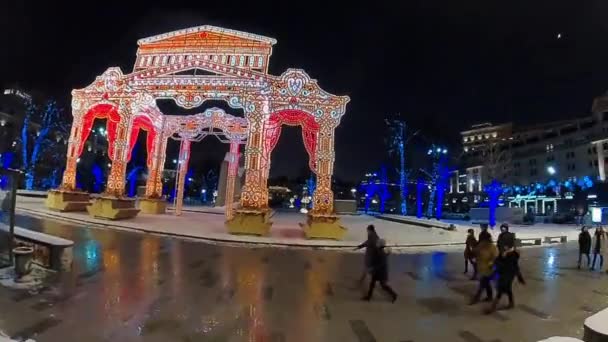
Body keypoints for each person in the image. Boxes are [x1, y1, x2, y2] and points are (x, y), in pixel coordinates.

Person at [486, 246, 525, 313]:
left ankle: (493, 307)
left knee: (500, 290)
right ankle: (511, 303)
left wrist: (520, 278)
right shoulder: (507, 257)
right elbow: (516, 270)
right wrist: (520, 278)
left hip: (506, 276)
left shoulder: (510, 258)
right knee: (508, 289)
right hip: (507, 276)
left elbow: (500, 264)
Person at [470, 232, 498, 305]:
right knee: (486, 283)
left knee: (482, 284)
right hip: (482, 267)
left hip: (489, 269)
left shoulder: (492, 247)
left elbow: (495, 257)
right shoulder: (480, 245)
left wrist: (491, 263)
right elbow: (475, 251)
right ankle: (490, 297)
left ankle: (476, 298)